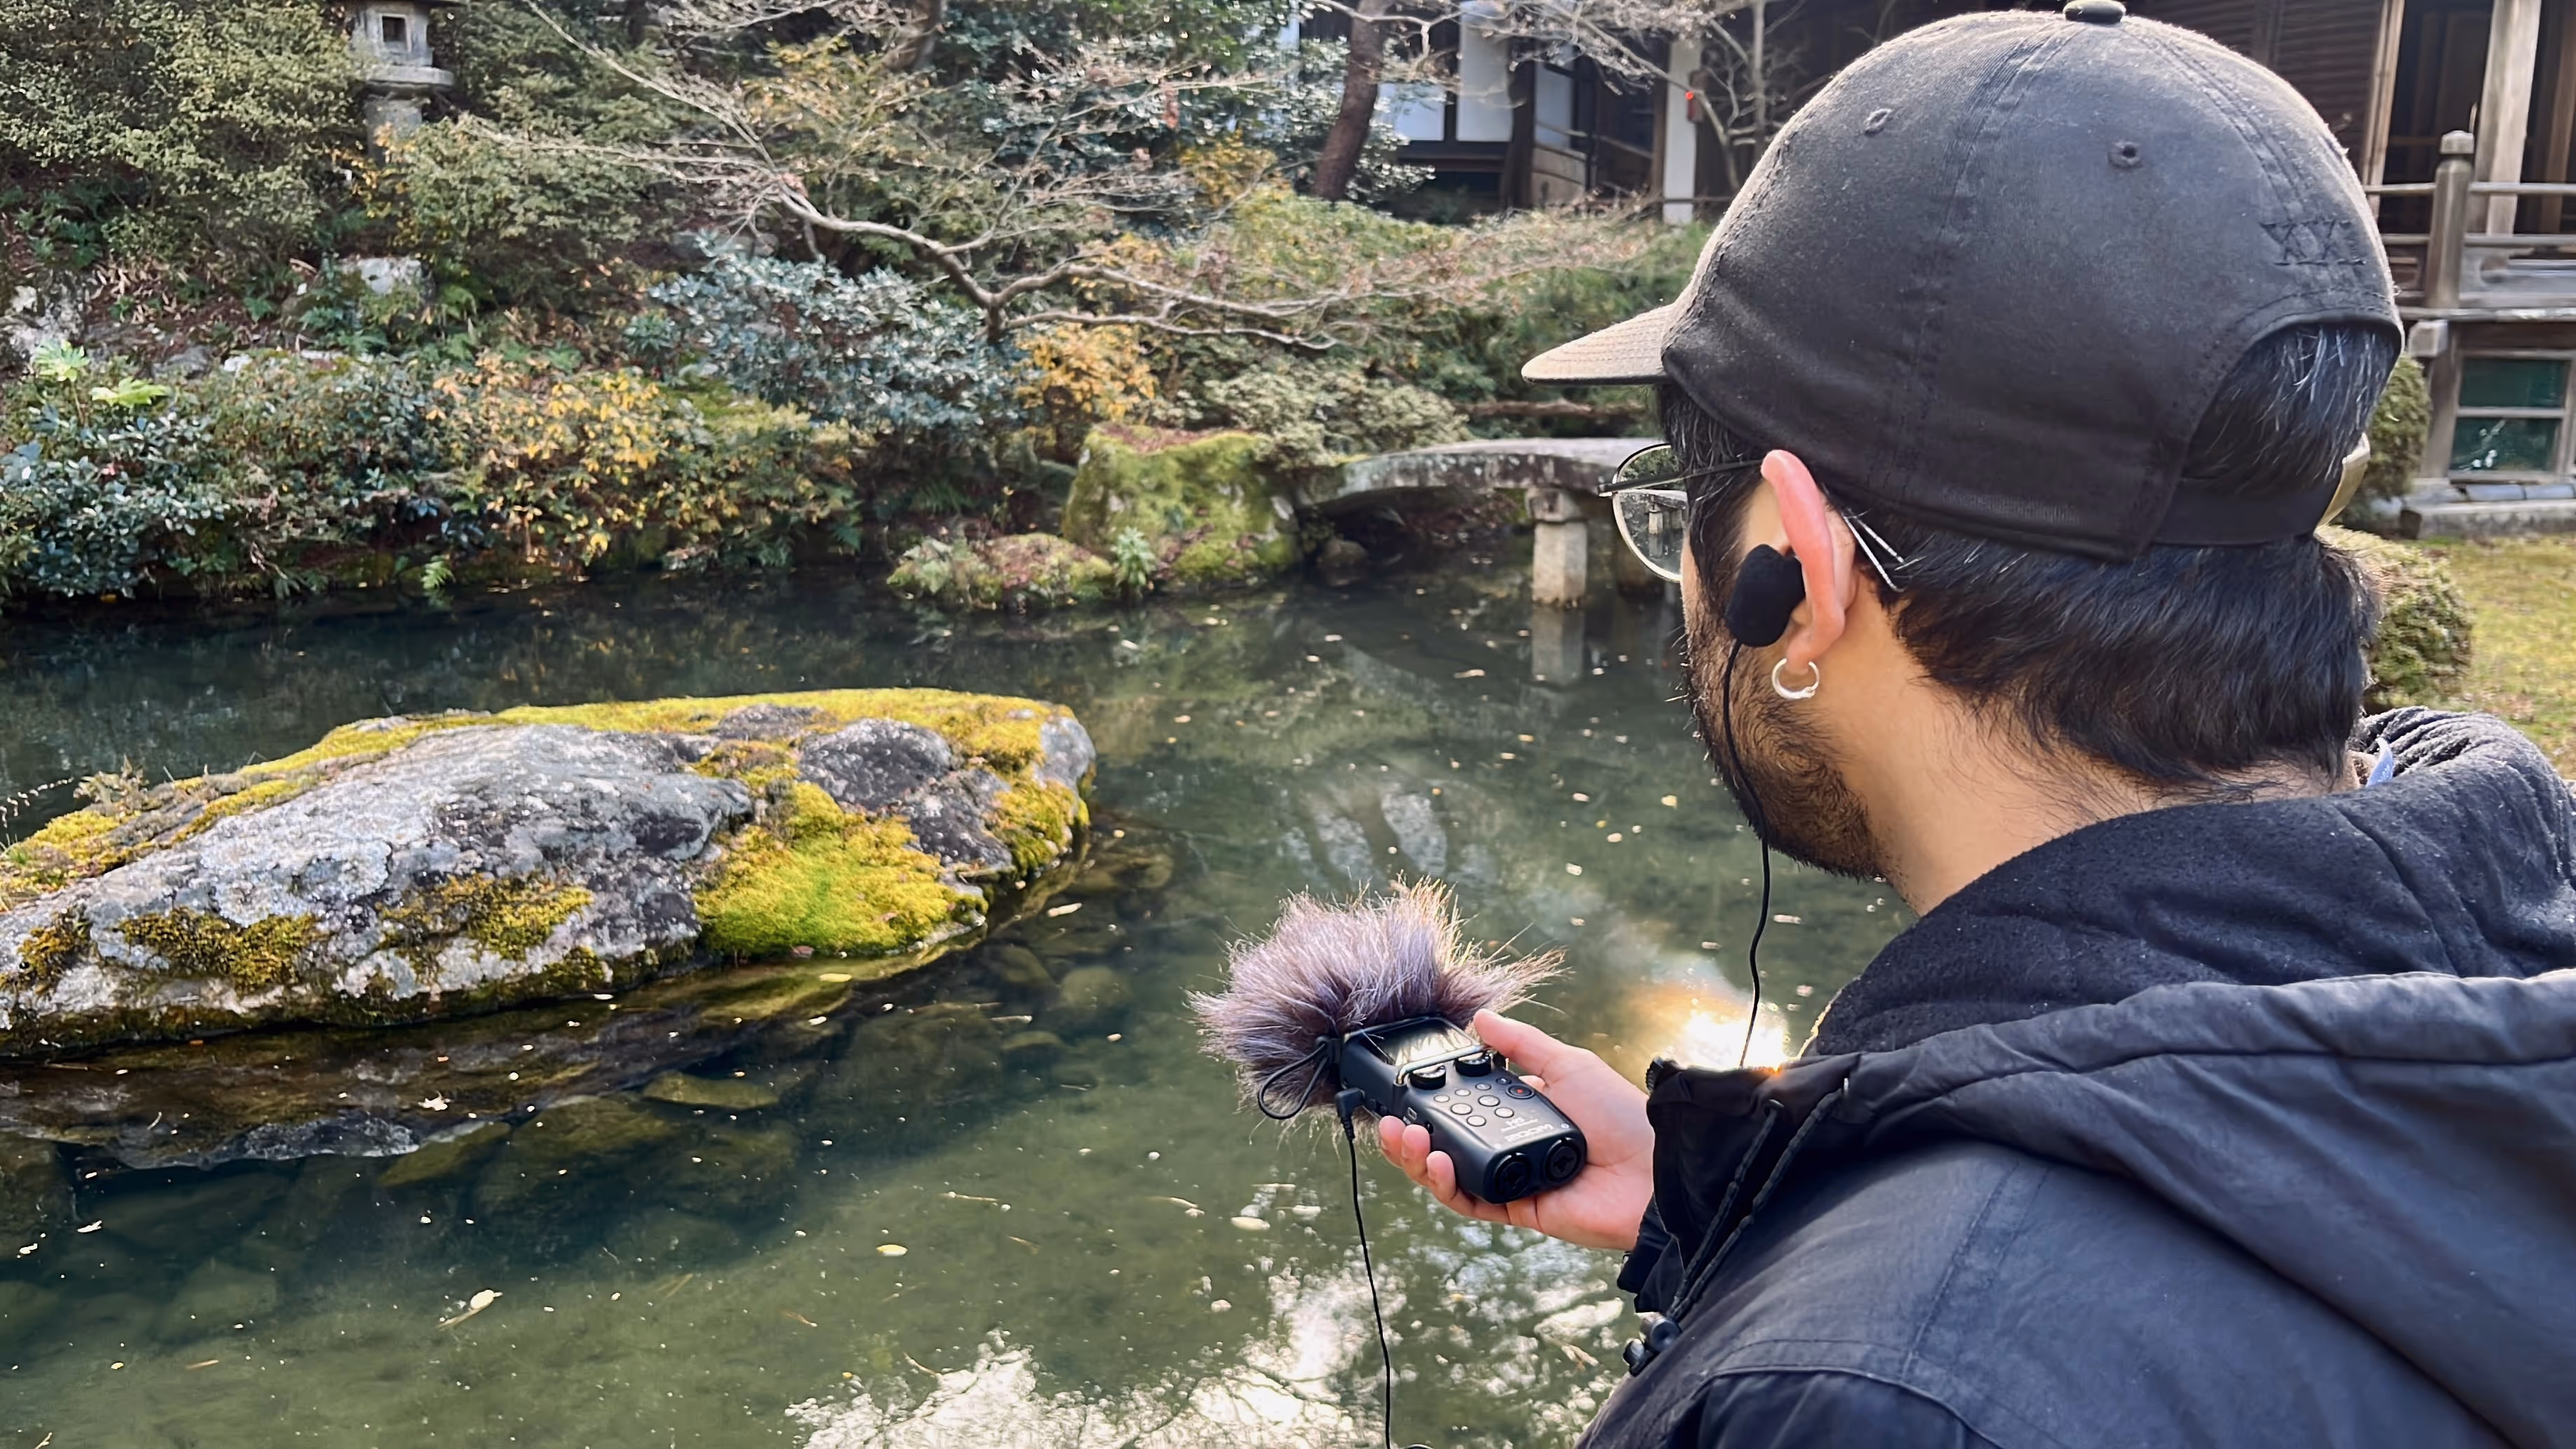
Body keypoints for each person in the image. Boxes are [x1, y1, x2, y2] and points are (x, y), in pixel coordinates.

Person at [1374, 6, 2576, 1446]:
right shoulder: (2507, 964)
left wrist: (1835, 1315)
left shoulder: (1870, 1400)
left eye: (1678, 514)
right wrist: (1783, 1215)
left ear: (1795, 577)